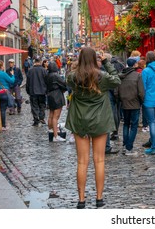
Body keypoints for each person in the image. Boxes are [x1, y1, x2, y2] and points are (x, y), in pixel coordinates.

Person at [65, 47, 121, 209]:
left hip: (79, 120)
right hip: (99, 120)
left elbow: (69, 78)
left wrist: (76, 65)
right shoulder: (101, 77)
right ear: (95, 59)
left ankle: (81, 200)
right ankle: (99, 198)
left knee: (82, 162)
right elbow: (117, 80)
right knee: (99, 160)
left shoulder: (73, 77)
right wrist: (105, 62)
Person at [117, 58, 145, 156]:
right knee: (133, 126)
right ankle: (129, 147)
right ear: (134, 65)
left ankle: (125, 145)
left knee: (126, 124)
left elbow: (116, 91)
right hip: (135, 103)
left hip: (124, 103)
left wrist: (120, 100)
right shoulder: (137, 76)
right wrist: (141, 101)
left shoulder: (121, 75)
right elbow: (141, 92)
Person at [46, 61, 67, 142]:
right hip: (57, 95)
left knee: (51, 115)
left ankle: (51, 130)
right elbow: (64, 84)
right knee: (56, 116)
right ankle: (55, 135)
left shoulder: (47, 75)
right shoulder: (56, 75)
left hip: (50, 95)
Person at [0, 61, 15, 131]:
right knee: (2, 109)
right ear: (1, 67)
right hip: (3, 93)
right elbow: (12, 81)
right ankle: (3, 125)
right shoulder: (3, 74)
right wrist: (12, 75)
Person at [26, 57, 48, 127]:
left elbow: (28, 82)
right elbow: (46, 81)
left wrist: (28, 91)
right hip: (42, 91)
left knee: (34, 106)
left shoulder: (30, 71)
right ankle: (41, 118)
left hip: (33, 92)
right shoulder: (44, 70)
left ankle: (36, 120)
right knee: (42, 105)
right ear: (40, 62)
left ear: (34, 62)